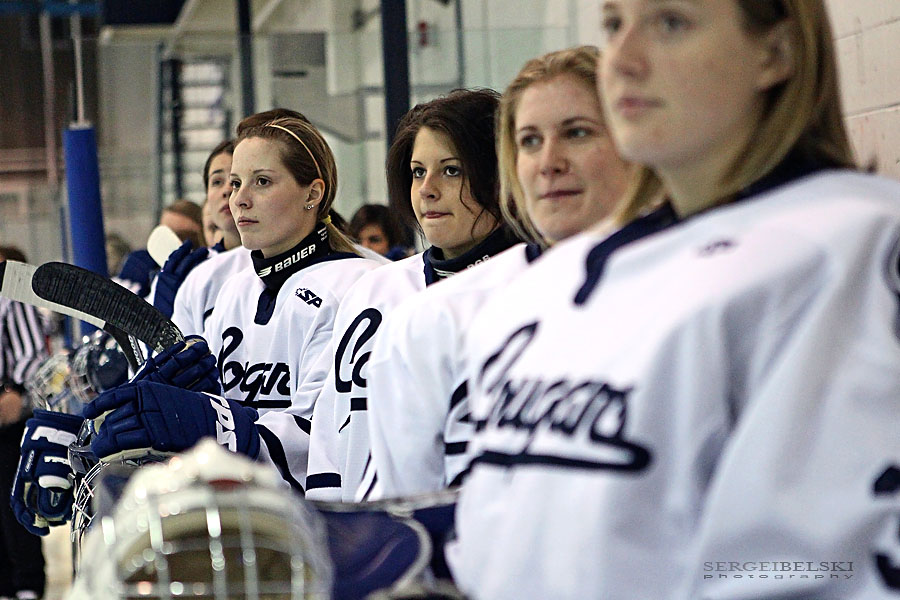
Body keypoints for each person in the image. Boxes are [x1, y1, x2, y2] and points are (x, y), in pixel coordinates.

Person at [447, 1, 900, 598]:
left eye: (670, 24)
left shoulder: (852, 248)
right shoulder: (547, 285)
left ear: (775, 52)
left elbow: (815, 571)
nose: (624, 61)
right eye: (612, 25)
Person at [361, 45, 630, 500]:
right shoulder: (433, 319)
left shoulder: (700, 291)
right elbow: (412, 511)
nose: (549, 162)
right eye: (529, 141)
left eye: (578, 133)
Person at [81, 113, 386, 493]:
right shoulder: (235, 288)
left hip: (318, 529)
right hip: (235, 521)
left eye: (262, 182)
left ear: (313, 193)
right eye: (234, 183)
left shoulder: (359, 286)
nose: (238, 199)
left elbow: (326, 440)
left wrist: (215, 421)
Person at [305, 88, 522, 501]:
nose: (428, 189)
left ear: (500, 176)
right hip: (369, 543)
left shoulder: (533, 293)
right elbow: (332, 438)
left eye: (452, 170)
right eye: (418, 171)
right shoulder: (374, 291)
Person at [0, 245, 50, 600]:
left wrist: (16, 392)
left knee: (13, 507)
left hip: (8, 420)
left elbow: (32, 359)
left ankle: (26, 586)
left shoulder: (11, 294)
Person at [116, 199, 205, 298]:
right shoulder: (140, 263)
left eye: (183, 235)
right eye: (164, 232)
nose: (171, 239)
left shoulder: (201, 273)